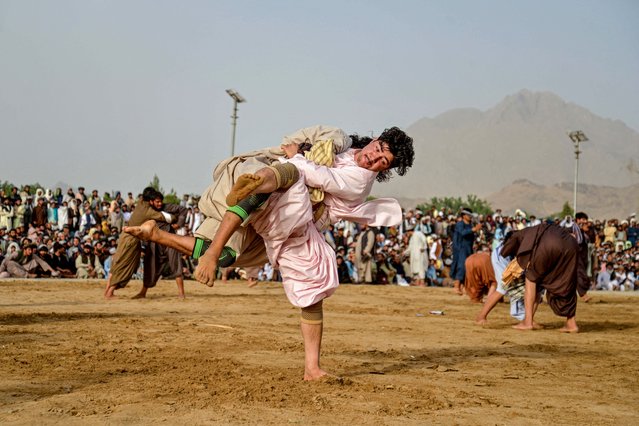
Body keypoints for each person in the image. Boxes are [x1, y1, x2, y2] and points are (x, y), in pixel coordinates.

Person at [125, 125, 414, 380]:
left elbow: (314, 173)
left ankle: (312, 369)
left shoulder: (359, 182)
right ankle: (183, 236)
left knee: (311, 287)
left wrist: (297, 155)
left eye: (381, 162)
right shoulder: (340, 140)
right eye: (378, 150)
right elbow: (297, 138)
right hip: (276, 199)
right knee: (229, 248)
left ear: (385, 170)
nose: (373, 159)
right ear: (375, 139)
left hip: (296, 218)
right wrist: (302, 148)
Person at [500, 223, 580, 333]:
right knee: (567, 280)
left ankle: (527, 322)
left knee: (530, 280)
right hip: (571, 244)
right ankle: (571, 323)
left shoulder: (519, 236)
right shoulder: (534, 230)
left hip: (547, 245)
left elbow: (512, 249)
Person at [104, 187, 173, 299]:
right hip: (131, 239)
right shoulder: (148, 211)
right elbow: (167, 218)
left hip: (124, 237)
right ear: (151, 201)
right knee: (125, 265)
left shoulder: (140, 202)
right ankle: (110, 292)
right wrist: (174, 216)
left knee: (117, 262)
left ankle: (107, 290)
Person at [133, 195, 188, 299]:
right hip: (154, 243)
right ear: (152, 201)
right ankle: (143, 292)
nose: (159, 204)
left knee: (176, 265)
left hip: (170, 239)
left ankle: (181, 293)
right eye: (157, 202)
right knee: (150, 267)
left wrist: (178, 224)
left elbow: (183, 210)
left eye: (160, 202)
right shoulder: (147, 211)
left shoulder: (167, 207)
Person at [450, 208, 482, 295]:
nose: (470, 217)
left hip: (468, 248)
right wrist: (474, 229)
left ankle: (464, 287)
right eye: (468, 215)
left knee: (468, 267)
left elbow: (471, 236)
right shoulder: (460, 224)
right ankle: (456, 286)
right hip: (460, 248)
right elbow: (463, 233)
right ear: (464, 216)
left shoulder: (470, 225)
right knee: (461, 266)